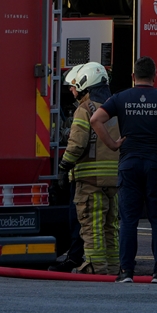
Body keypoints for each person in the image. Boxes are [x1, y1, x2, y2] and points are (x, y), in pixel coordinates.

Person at [91, 56, 157, 284]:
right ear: (154, 76)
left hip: (129, 162)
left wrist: (113, 144)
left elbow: (95, 119)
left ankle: (126, 272)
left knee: (128, 220)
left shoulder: (120, 98)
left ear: (133, 76)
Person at [56, 63, 120, 275]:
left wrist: (64, 167)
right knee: (110, 227)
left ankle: (96, 269)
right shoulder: (117, 107)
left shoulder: (85, 109)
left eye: (75, 86)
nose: (73, 91)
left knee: (92, 227)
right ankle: (112, 268)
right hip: (115, 180)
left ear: (85, 83)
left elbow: (77, 144)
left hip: (90, 180)